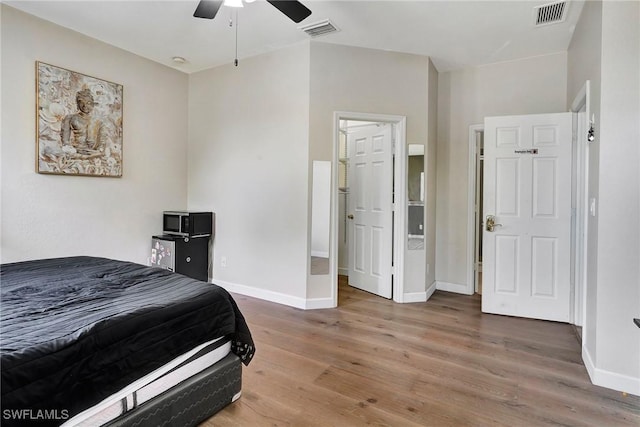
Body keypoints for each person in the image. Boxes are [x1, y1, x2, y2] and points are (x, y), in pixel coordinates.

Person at [60, 89, 106, 154]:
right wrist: (74, 151)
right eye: (81, 102)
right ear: (77, 104)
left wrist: (98, 151)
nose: (85, 106)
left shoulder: (99, 121)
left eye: (88, 103)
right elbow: (65, 142)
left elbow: (102, 142)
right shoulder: (70, 118)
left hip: (94, 154)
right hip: (75, 152)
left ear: (93, 104)